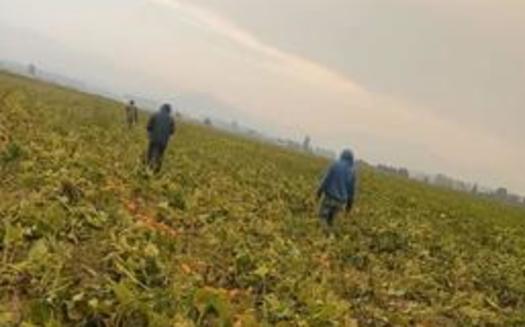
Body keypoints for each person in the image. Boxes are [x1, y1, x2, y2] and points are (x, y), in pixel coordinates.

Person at [317, 149, 356, 230]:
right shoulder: (352, 171)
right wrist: (349, 205)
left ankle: (323, 236)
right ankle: (330, 238)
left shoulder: (335, 165)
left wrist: (319, 192)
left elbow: (326, 180)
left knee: (322, 218)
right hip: (341, 202)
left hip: (329, 198)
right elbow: (351, 191)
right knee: (332, 221)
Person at [146, 103, 176, 172]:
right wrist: (169, 138)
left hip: (153, 138)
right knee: (160, 155)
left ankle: (148, 167)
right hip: (163, 141)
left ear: (161, 108)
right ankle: (157, 170)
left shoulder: (155, 115)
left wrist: (149, 134)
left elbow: (149, 127)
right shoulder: (171, 119)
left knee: (150, 153)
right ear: (169, 111)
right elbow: (172, 132)